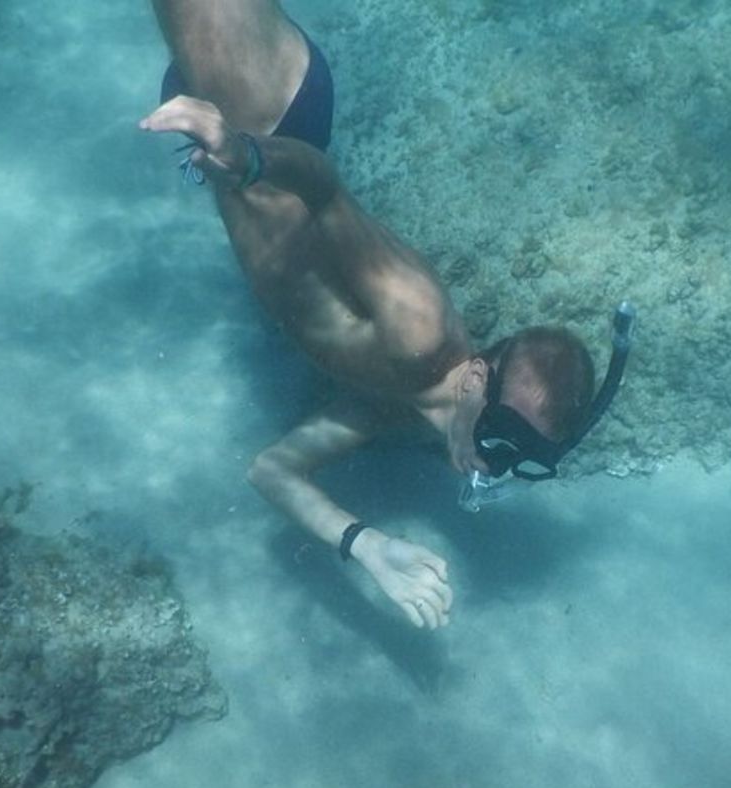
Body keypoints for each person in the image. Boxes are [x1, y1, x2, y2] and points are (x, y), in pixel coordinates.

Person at [140, 0, 630, 630]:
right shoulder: (418, 327)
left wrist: (367, 545)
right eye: (498, 440)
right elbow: (323, 189)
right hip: (263, 111)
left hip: (240, 136)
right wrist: (246, 152)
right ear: (478, 378)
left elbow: (271, 471)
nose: (489, 465)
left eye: (513, 460)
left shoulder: (395, 405)